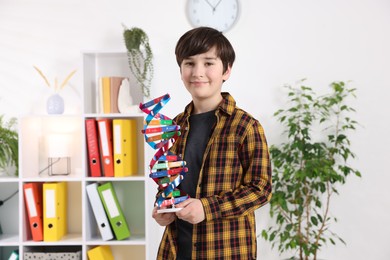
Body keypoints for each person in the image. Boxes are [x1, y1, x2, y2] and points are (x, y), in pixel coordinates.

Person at [152, 26, 272, 260]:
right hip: (176, 250)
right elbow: (167, 182)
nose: (198, 72)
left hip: (225, 250)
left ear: (226, 70)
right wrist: (164, 209)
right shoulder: (173, 126)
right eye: (189, 63)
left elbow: (260, 188)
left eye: (208, 63)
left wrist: (207, 208)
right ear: (180, 70)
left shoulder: (245, 126)